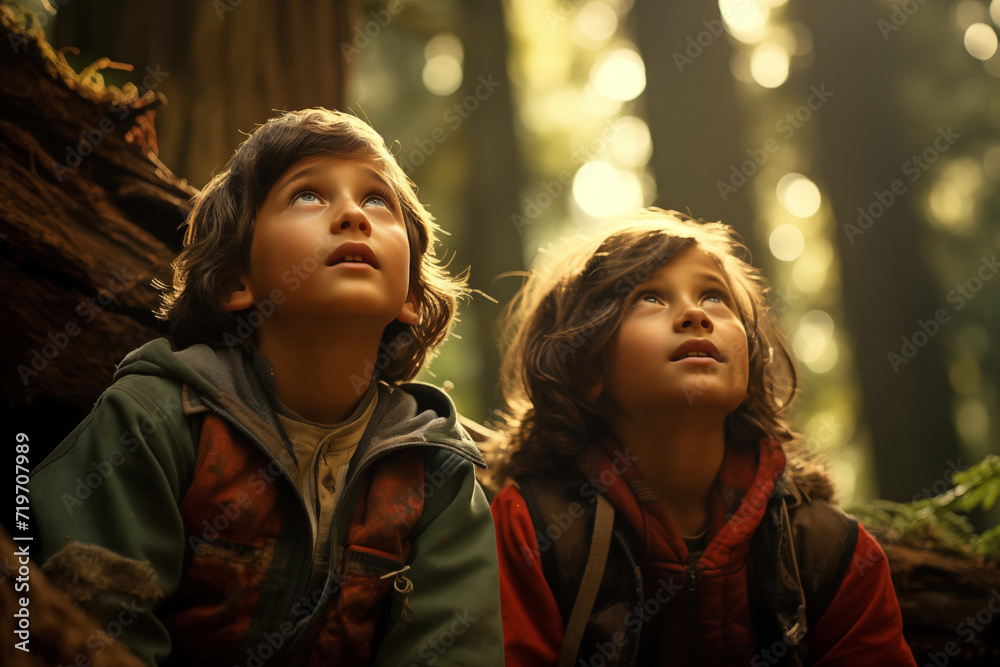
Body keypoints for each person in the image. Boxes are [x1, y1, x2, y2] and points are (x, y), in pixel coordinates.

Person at [31, 108, 503, 666]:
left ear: (409, 298)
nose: (354, 213)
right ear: (238, 279)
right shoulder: (155, 419)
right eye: (308, 194)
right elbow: (92, 630)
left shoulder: (437, 474)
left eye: (378, 199)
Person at [489, 208, 915, 666]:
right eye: (649, 298)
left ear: (748, 361)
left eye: (714, 296)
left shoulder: (829, 549)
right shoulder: (530, 530)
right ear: (589, 366)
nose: (694, 313)